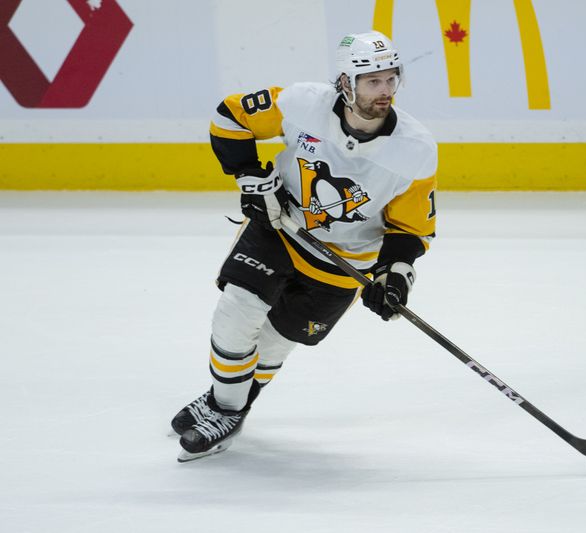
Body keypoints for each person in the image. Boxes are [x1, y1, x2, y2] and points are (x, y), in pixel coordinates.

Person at [171, 31, 438, 462]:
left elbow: (410, 228)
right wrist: (248, 176)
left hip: (345, 261)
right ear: (346, 83)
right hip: (280, 226)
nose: (385, 90)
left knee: (277, 342)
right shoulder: (302, 103)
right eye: (373, 81)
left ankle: (223, 398)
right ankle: (225, 409)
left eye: (391, 79)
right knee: (236, 312)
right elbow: (230, 116)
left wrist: (394, 275)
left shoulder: (416, 149)